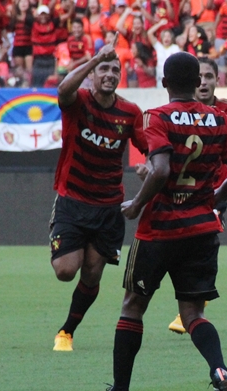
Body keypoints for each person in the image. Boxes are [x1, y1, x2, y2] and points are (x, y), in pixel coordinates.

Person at [92, 52, 227, 391]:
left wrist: (136, 204)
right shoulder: (220, 119)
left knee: (133, 306)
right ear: (197, 82)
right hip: (202, 229)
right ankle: (219, 369)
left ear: (164, 83)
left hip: (159, 230)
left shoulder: (157, 117)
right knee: (193, 313)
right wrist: (211, 198)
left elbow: (160, 169)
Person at [51, 33, 149, 352]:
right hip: (72, 200)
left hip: (108, 207)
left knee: (92, 274)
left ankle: (67, 331)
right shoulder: (78, 101)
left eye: (114, 70)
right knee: (66, 270)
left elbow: (150, 148)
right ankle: (67, 327)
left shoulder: (130, 112)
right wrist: (96, 57)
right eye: (103, 69)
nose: (109, 74)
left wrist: (149, 165)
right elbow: (62, 89)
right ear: (92, 74)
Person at [167, 56, 227, 334]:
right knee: (188, 245)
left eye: (209, 77)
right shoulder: (178, 111)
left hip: (217, 190)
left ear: (218, 80)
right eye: (200, 77)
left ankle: (191, 308)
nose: (204, 82)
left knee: (204, 239)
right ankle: (193, 301)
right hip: (185, 192)